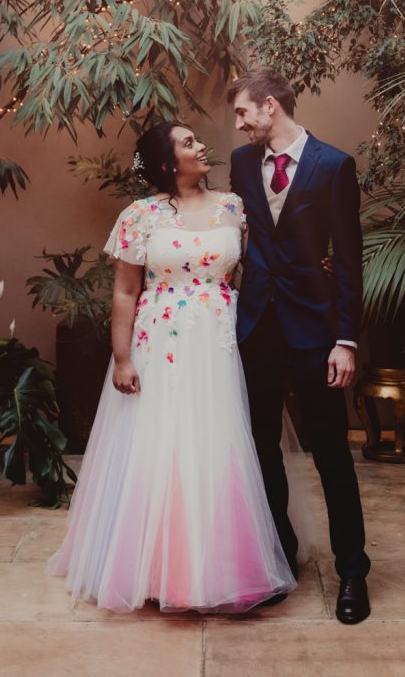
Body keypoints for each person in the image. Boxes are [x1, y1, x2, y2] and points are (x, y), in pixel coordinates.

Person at [47, 121, 296, 613]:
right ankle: (156, 565)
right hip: (158, 342)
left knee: (219, 439)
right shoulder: (139, 216)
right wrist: (121, 357)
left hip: (222, 339)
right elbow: (124, 290)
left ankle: (228, 564)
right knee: (162, 440)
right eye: (188, 143)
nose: (201, 147)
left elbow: (265, 268)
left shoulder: (233, 206)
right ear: (167, 163)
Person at [228, 68, 371, 625]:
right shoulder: (242, 165)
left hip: (316, 333)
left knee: (332, 453)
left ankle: (353, 573)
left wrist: (345, 339)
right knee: (261, 448)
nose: (238, 125)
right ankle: (280, 559)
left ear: (269, 106)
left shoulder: (334, 166)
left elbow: (351, 260)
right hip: (256, 329)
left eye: (243, 113)